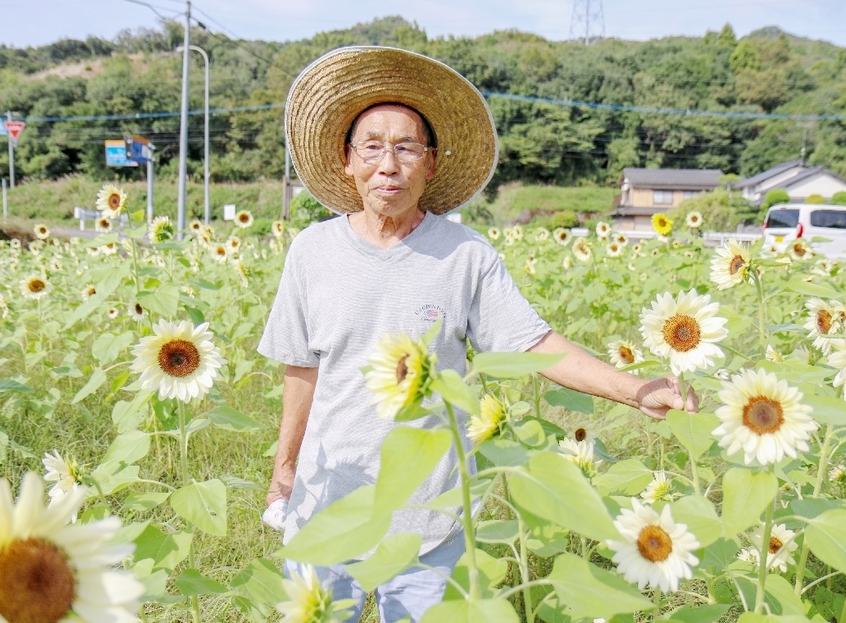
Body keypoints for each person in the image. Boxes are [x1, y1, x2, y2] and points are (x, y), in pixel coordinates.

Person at [258, 46, 697, 622]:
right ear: (346, 160)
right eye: (371, 145)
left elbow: (530, 344)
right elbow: (302, 368)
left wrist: (634, 388)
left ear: (431, 163)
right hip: (327, 505)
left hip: (430, 518)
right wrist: (284, 471)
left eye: (406, 146)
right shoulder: (311, 252)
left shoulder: (464, 255)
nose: (387, 163)